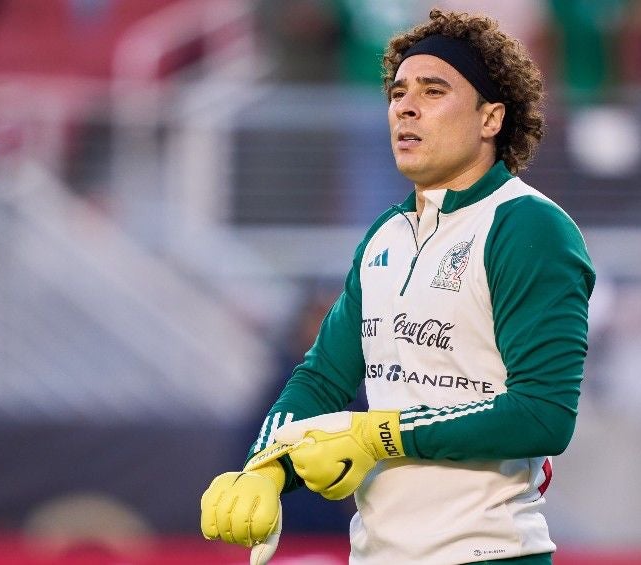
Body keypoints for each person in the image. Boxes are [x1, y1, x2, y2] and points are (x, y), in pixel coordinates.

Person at [201, 8, 595, 565]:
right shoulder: (386, 234)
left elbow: (542, 413)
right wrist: (265, 468)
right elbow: (321, 377)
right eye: (397, 92)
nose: (405, 106)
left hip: (488, 556)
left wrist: (376, 436)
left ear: (491, 118)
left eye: (433, 91)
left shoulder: (528, 226)